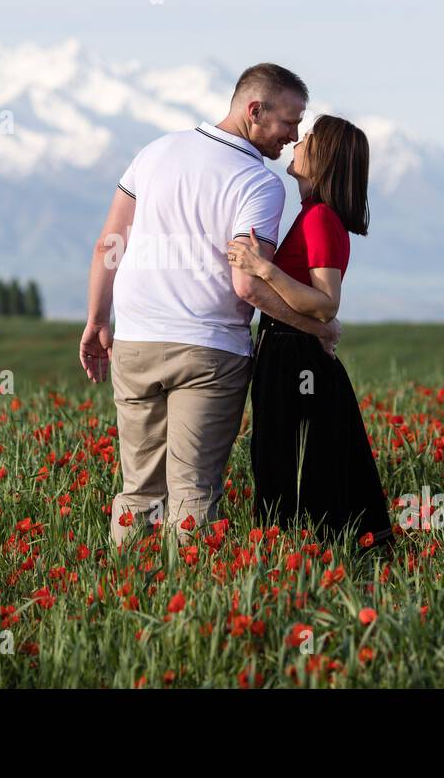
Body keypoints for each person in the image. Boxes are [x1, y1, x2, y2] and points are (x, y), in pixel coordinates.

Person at [79, 63, 341, 548]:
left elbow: (109, 242)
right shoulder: (259, 184)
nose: (294, 136)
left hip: (134, 343)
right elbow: (248, 287)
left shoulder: (155, 152)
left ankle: (124, 597)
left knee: (139, 492)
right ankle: (193, 612)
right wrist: (316, 326)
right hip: (209, 351)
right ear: (254, 110)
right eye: (289, 122)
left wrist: (98, 319)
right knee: (194, 492)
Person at [226, 114, 395, 552]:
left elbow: (326, 303)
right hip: (288, 352)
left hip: (294, 358)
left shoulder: (320, 218)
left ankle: (293, 558)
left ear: (324, 159)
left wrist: (262, 269)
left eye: (310, 138)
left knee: (287, 463)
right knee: (289, 462)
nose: (298, 141)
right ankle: (303, 557)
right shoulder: (313, 215)